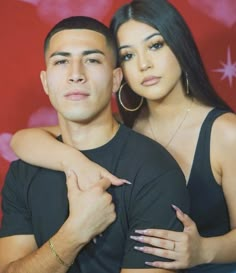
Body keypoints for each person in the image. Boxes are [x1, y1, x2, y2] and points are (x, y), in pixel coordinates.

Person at [9, 0, 236, 272]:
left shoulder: (225, 131)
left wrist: (204, 251)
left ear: (180, 46)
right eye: (128, 55)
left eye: (155, 45)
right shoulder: (124, 125)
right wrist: (78, 163)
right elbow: (22, 141)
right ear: (119, 73)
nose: (144, 64)